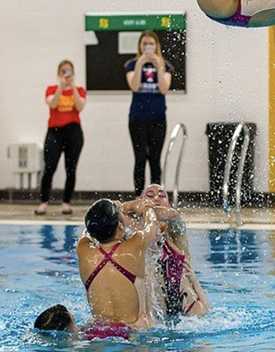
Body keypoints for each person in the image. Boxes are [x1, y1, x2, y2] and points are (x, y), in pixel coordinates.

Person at [77, 197, 178, 334]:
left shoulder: (83, 251)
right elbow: (152, 223)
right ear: (119, 225)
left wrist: (114, 210)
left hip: (96, 332)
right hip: (133, 334)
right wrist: (144, 207)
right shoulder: (135, 246)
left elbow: (89, 229)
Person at [138, 184, 210, 317]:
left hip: (184, 302)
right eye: (149, 195)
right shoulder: (136, 235)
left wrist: (143, 208)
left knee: (198, 307)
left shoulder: (176, 235)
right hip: (152, 306)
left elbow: (173, 216)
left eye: (162, 196)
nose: (156, 198)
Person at [125, 31, 173, 197]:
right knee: (139, 159)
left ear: (156, 46)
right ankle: (139, 196)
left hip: (158, 119)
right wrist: (140, 64)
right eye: (144, 44)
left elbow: (164, 88)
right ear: (140, 45)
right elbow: (135, 86)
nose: (148, 47)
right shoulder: (131, 65)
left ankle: (156, 198)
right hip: (138, 118)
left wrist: (158, 66)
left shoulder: (165, 65)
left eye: (151, 44)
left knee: (154, 159)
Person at [35, 60, 86, 215]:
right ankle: (44, 202)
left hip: (73, 132)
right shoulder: (52, 89)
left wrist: (73, 88)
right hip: (55, 131)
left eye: (69, 71)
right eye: (63, 71)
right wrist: (61, 87)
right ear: (59, 74)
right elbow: (53, 104)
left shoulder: (79, 90)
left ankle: (66, 202)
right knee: (49, 167)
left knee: (70, 168)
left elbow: (80, 106)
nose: (66, 74)